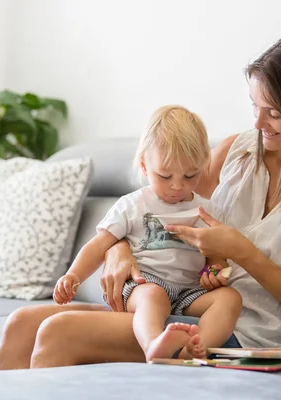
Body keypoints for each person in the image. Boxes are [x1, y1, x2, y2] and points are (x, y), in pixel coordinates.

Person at [0, 33, 281, 370]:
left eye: (273, 112)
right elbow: (164, 204)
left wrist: (242, 252)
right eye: (254, 107)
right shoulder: (236, 152)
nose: (258, 123)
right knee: (20, 325)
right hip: (179, 307)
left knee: (60, 331)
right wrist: (120, 248)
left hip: (252, 336)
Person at [52, 105, 242, 361]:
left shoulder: (207, 210)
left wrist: (214, 274)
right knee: (154, 296)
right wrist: (72, 275)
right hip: (146, 285)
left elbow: (216, 258)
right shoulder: (133, 205)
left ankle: (196, 349)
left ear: (203, 165)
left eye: (190, 175)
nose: (177, 186)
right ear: (143, 165)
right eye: (165, 176)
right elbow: (99, 246)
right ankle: (153, 345)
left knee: (230, 298)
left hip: (190, 292)